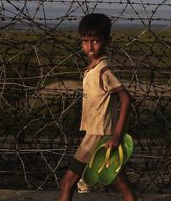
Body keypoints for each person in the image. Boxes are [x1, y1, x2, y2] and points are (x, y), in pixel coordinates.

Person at [59, 13, 136, 201]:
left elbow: (126, 99)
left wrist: (117, 135)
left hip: (98, 136)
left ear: (107, 41)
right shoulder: (92, 69)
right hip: (97, 134)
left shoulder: (103, 71)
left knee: (67, 183)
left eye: (95, 41)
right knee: (121, 183)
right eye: (85, 41)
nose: (90, 47)